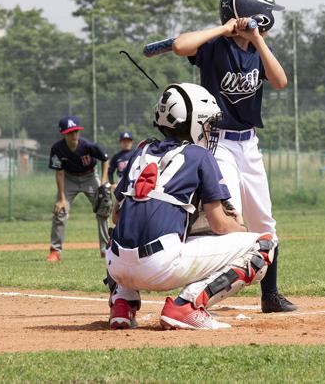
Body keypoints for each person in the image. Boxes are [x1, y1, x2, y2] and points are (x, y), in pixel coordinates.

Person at [106, 83, 275, 330]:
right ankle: (187, 306)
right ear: (195, 122)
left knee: (122, 233)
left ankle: (122, 303)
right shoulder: (199, 155)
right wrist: (241, 229)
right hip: (159, 265)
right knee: (263, 245)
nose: (209, 130)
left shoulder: (141, 150)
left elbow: (116, 216)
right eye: (207, 123)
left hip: (117, 266)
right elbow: (219, 225)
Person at [171, 0, 296, 313]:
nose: (269, 18)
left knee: (264, 223)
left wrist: (257, 39)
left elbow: (281, 80)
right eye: (265, 11)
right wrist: (224, 29)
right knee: (228, 219)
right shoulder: (215, 47)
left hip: (249, 144)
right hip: (218, 142)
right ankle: (202, 294)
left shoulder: (257, 49)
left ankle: (270, 295)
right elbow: (181, 45)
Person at [47, 115, 110, 262]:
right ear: (64, 133)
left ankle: (105, 249)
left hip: (90, 177)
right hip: (69, 178)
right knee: (60, 211)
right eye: (70, 132)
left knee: (103, 208)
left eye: (76, 131)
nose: (74, 135)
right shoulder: (58, 149)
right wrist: (62, 199)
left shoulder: (88, 145)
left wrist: (103, 182)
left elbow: (105, 159)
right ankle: (55, 251)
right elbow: (59, 173)